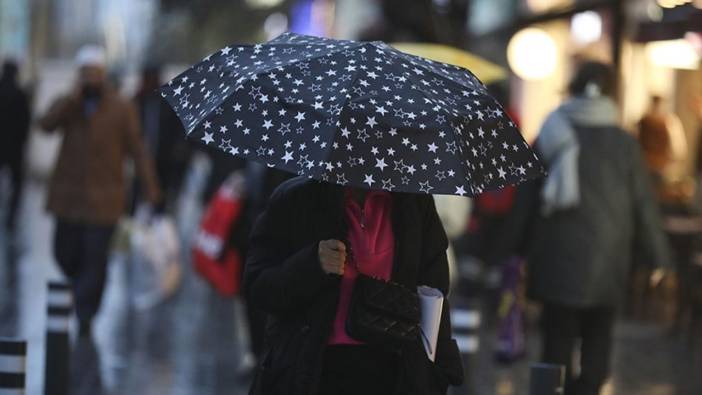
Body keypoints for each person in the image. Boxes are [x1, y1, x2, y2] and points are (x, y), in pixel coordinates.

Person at [506, 62, 670, 395]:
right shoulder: (625, 144)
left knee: (556, 345)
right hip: (608, 261)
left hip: (555, 259)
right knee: (598, 343)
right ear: (611, 94)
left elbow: (526, 201)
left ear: (573, 88)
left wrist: (513, 252)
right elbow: (643, 205)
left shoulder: (550, 132)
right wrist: (659, 258)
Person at [243, 177, 464, 395]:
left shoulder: (414, 203)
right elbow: (259, 287)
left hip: (394, 372)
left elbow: (434, 292)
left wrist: (435, 374)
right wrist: (311, 264)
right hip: (315, 372)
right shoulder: (295, 198)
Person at [39, 45, 161, 337]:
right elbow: (45, 125)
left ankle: (85, 314)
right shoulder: (70, 104)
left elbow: (138, 150)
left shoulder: (121, 107)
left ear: (104, 74)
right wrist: (71, 99)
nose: (90, 78)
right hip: (68, 200)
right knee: (63, 253)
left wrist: (151, 189)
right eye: (85, 73)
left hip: (105, 202)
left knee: (95, 261)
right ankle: (78, 290)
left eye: (95, 73)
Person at [132, 65, 189, 211]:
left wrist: (176, 151)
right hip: (140, 161)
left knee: (160, 201)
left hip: (164, 160)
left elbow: (178, 130)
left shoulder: (168, 101)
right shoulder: (136, 101)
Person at [0, 60, 31, 233]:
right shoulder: (20, 94)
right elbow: (26, 122)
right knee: (17, 184)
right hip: (15, 148)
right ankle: (11, 218)